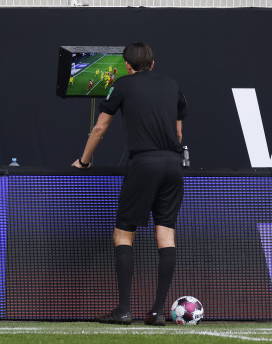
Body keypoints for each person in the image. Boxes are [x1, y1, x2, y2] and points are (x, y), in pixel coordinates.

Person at [72, 42, 188, 326]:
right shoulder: (172, 85)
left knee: (123, 236)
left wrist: (84, 161)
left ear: (127, 65)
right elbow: (178, 133)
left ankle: (124, 310)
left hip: (144, 164)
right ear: (152, 63)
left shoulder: (123, 85)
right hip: (173, 165)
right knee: (166, 237)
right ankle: (158, 312)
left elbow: (100, 127)